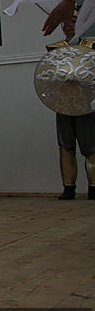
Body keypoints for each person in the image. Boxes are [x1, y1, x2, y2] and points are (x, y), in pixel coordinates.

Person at [46, 13, 95, 200]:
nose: (68, 25)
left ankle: (93, 185)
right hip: (64, 102)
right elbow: (49, 76)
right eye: (65, 22)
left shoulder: (90, 47)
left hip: (85, 102)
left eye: (72, 22)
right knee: (66, 145)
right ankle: (68, 186)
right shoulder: (55, 49)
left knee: (91, 145)